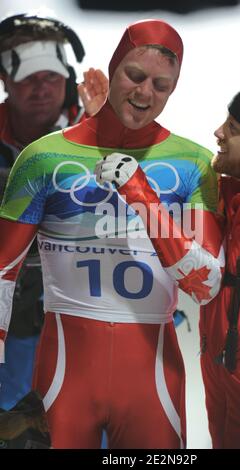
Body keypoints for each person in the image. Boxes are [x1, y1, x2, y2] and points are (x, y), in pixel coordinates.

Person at [0, 19, 224, 449]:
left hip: (152, 378)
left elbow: (207, 284)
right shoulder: (45, 157)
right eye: (135, 76)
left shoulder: (192, 163)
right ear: (114, 66)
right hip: (64, 372)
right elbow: (2, 271)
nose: (144, 94)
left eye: (161, 85)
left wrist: (140, 193)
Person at [103, 70, 240, 448]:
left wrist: (141, 194)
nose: (218, 133)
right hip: (228, 423)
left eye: (235, 128)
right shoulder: (227, 198)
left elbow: (200, 282)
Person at [0, 13, 107, 412]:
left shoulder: (107, 134)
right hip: (11, 328)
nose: (42, 89)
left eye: (51, 76)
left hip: (88, 322)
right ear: (5, 80)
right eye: (29, 78)